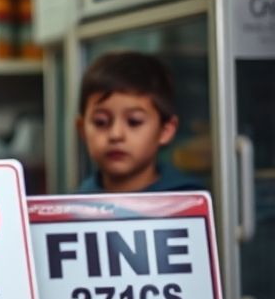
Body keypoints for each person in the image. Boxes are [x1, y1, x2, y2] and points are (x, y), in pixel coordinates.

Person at [76, 50, 202, 193]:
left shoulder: (189, 202)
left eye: (134, 122)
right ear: (82, 129)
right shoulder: (73, 207)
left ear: (166, 130)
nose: (116, 134)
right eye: (101, 122)